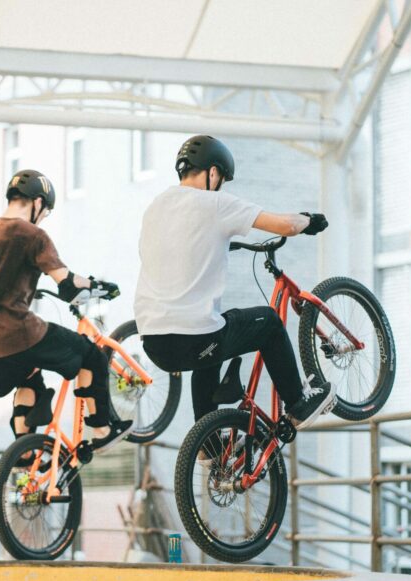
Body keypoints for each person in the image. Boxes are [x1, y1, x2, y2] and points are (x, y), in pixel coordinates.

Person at [134, 135, 335, 433]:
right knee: (266, 321)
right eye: (221, 179)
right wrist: (308, 220)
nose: (220, 185)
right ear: (212, 172)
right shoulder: (213, 203)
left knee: (211, 340)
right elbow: (285, 225)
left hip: (154, 343)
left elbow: (171, 248)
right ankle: (298, 405)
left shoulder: (155, 207)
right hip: (193, 339)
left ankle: (208, 445)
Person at [0, 169, 132, 454]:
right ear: (38, 203)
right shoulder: (32, 235)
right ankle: (102, 430)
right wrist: (96, 285)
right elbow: (68, 283)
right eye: (45, 212)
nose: (43, 218)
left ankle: (24, 454)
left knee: (29, 379)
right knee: (91, 356)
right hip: (17, 334)